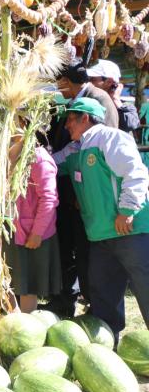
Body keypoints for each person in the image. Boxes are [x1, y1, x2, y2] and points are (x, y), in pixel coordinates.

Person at [52, 97, 149, 339]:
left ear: (85, 118)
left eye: (70, 120)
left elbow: (135, 174)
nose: (66, 126)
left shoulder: (110, 138)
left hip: (130, 229)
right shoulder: (76, 148)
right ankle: (110, 343)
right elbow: (52, 164)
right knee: (104, 292)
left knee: (145, 287)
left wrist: (127, 211)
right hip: (99, 234)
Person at [47, 59, 120, 315]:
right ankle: (66, 298)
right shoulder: (77, 100)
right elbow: (68, 151)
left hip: (87, 196)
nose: (57, 88)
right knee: (68, 247)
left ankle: (95, 305)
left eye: (58, 83)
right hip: (71, 190)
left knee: (88, 253)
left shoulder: (98, 99)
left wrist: (87, 188)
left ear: (65, 82)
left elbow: (102, 149)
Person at [5, 134, 62, 313]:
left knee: (28, 284)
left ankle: (27, 327)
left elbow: (49, 198)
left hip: (30, 233)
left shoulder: (40, 159)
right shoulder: (5, 154)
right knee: (9, 279)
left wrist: (37, 232)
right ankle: (11, 321)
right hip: (9, 227)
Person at [86, 59, 141, 134]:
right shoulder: (88, 100)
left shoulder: (126, 107)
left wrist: (115, 100)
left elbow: (130, 124)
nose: (89, 82)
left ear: (109, 81)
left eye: (92, 79)